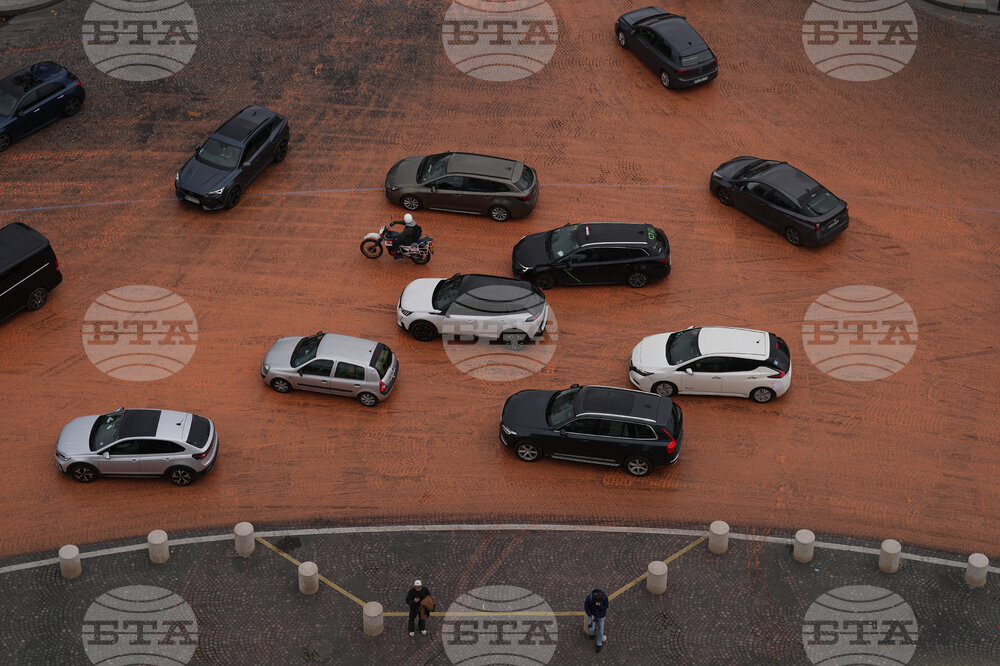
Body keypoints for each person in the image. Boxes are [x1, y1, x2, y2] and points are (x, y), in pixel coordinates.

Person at [584, 589, 608, 653]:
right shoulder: (589, 598)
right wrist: (590, 614)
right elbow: (586, 607)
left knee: (601, 629)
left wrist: (599, 606)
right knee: (591, 628)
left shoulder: (605, 598)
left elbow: (605, 607)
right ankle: (591, 634)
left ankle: (599, 643)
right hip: (592, 615)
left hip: (601, 616)